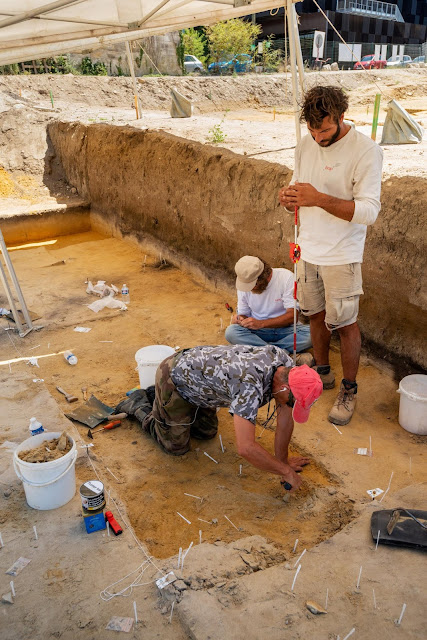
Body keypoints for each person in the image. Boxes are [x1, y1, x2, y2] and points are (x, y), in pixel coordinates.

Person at [279, 85, 383, 426]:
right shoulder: (305, 143)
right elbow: (300, 184)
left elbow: (369, 211)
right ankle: (322, 373)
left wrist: (319, 198)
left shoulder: (365, 151)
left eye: (323, 129)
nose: (317, 136)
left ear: (341, 117)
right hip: (308, 248)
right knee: (314, 315)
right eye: (311, 129)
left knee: (346, 324)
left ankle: (349, 389)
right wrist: (290, 195)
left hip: (342, 253)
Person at [118, 345, 322, 493]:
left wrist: (283, 460)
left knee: (207, 433)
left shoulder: (286, 367)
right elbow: (246, 448)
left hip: (204, 387)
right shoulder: (249, 385)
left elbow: (285, 418)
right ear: (285, 388)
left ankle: (166, 405)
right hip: (174, 377)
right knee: (175, 446)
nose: (291, 406)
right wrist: (285, 471)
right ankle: (141, 403)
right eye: (293, 402)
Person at [224, 255, 312, 354]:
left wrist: (261, 323)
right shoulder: (244, 284)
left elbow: (292, 316)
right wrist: (239, 319)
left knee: (313, 335)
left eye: (253, 285)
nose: (250, 289)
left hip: (286, 329)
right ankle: (279, 353)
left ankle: (264, 351)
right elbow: (244, 314)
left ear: (264, 277)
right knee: (231, 332)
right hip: (258, 331)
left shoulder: (286, 278)